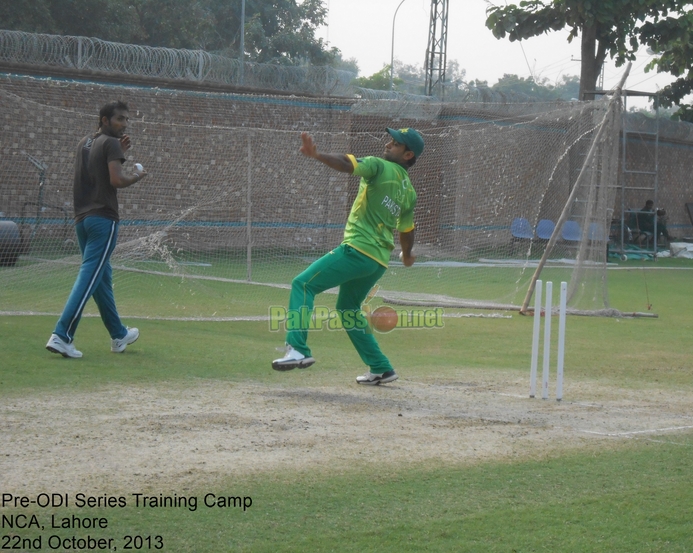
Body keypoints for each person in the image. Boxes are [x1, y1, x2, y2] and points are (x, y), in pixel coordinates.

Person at [271, 127, 424, 385]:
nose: (388, 144)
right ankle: (381, 368)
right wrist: (407, 255)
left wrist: (317, 155)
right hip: (377, 262)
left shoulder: (378, 166)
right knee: (347, 308)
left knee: (303, 284)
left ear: (408, 154)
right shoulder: (409, 191)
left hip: (357, 250)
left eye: (395, 144)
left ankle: (297, 349)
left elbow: (346, 163)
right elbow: (406, 229)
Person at [46, 101, 147, 358]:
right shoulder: (111, 143)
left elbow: (96, 170)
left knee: (101, 279)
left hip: (82, 220)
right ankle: (62, 335)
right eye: (119, 119)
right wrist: (137, 176)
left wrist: (117, 152)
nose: (124, 124)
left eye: (126, 119)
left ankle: (118, 334)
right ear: (104, 120)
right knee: (89, 277)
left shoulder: (85, 143)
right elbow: (116, 179)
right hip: (103, 219)